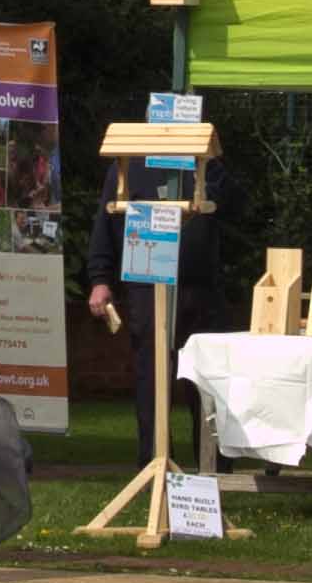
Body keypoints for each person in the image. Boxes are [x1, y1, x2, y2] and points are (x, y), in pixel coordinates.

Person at [82, 157, 230, 468]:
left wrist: (199, 176)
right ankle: (154, 462)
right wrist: (100, 279)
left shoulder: (205, 159)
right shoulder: (129, 163)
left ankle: (213, 466)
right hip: (146, 285)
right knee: (151, 376)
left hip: (198, 288)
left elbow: (232, 207)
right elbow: (106, 222)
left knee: (205, 381)